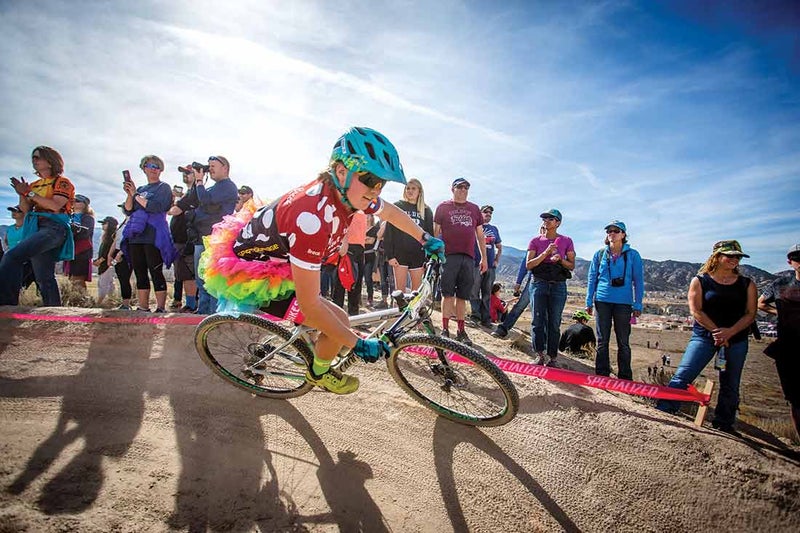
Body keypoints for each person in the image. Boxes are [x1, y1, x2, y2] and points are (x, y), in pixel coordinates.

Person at [199, 127, 444, 395]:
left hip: (278, 254)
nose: (376, 190)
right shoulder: (312, 219)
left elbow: (391, 213)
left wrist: (424, 237)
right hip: (254, 272)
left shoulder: (349, 191)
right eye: (371, 179)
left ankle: (314, 348)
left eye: (381, 183)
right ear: (341, 171)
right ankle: (319, 372)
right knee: (338, 320)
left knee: (333, 323)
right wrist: (357, 344)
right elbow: (311, 304)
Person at [656, 240, 757, 435]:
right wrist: (717, 331)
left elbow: (750, 313)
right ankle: (665, 411)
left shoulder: (747, 284)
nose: (734, 260)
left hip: (736, 340)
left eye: (738, 256)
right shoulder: (701, 280)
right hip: (704, 337)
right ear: (717, 257)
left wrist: (730, 332)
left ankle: (724, 423)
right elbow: (696, 310)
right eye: (730, 256)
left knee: (731, 382)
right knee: (684, 374)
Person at [1, 146, 75, 306]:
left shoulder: (62, 182)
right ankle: (55, 312)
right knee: (44, 277)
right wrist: (22, 194)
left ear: (50, 161)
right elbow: (26, 210)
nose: (34, 160)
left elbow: (56, 205)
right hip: (36, 227)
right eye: (32, 158)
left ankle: (6, 304)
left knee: (12, 257)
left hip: (53, 228)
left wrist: (29, 193)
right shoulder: (34, 185)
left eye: (37, 157)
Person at [170, 156, 238, 314]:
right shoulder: (212, 187)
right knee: (202, 280)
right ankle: (203, 312)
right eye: (209, 166)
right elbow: (194, 199)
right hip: (201, 238)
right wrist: (196, 181)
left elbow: (206, 201)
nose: (210, 169)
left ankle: (213, 315)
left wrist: (200, 181)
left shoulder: (227, 186)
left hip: (215, 239)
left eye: (214, 166)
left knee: (212, 281)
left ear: (225, 168)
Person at [585, 220, 644, 380]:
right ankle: (602, 374)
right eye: (609, 231)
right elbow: (592, 279)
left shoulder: (633, 255)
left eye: (616, 231)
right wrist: (588, 301)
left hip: (624, 303)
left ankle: (625, 377)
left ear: (623, 235)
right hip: (602, 301)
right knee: (602, 340)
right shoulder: (600, 254)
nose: (611, 233)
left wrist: (637, 303)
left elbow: (638, 281)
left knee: (623, 342)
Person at [434, 177, 486, 345]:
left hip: (468, 257)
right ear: (453, 189)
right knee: (447, 293)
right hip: (449, 256)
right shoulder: (443, 207)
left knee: (463, 296)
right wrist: (433, 254)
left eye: (466, 187)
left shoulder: (474, 209)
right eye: (460, 187)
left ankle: (461, 331)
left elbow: (480, 235)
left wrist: (484, 257)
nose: (463, 190)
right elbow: (435, 232)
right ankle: (445, 329)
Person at [121, 155, 176, 313]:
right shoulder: (140, 190)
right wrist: (130, 194)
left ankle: (160, 307)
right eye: (150, 166)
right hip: (136, 235)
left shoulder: (163, 187)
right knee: (139, 271)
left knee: (155, 270)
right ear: (144, 168)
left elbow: (156, 207)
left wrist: (136, 195)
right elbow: (129, 210)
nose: (154, 169)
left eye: (157, 167)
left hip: (154, 235)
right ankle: (143, 306)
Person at [758, 244, 800, 438]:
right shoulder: (780, 284)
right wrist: (780, 313)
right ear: (790, 261)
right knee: (794, 399)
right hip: (789, 348)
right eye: (797, 257)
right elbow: (761, 303)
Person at [526, 209, 575, 366]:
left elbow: (572, 265)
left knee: (554, 322)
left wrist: (560, 259)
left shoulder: (567, 240)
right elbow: (529, 264)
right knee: (537, 320)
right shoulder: (535, 241)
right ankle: (539, 355)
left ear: (558, 223)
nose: (546, 220)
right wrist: (546, 253)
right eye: (544, 218)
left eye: (550, 218)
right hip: (539, 283)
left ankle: (553, 358)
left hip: (558, 285)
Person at [383, 178, 434, 293]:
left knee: (416, 293)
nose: (410, 191)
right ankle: (400, 312)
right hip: (399, 255)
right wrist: (390, 255)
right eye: (408, 188)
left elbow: (429, 235)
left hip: (418, 255)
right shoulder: (398, 206)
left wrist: (429, 257)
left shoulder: (426, 211)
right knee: (399, 292)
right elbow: (389, 232)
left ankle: (414, 312)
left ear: (419, 191)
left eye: (413, 188)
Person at [470, 205, 502, 328]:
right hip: (475, 264)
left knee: (487, 293)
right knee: (474, 291)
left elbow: (499, 247)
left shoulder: (494, 229)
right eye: (485, 212)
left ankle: (486, 319)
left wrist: (496, 260)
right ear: (480, 213)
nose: (488, 214)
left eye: (490, 213)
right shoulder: (474, 227)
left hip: (490, 267)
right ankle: (475, 316)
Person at [169, 180, 197, 312]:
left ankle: (192, 304)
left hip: (188, 240)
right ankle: (189, 303)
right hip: (178, 240)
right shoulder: (185, 196)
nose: (185, 175)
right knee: (183, 274)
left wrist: (176, 202)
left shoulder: (194, 195)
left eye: (189, 172)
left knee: (190, 274)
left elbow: (173, 211)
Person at [333, 211, 367, 315]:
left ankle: (354, 316)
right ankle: (337, 316)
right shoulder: (350, 201)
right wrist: (344, 241)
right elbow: (342, 220)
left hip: (360, 247)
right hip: (348, 246)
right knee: (341, 283)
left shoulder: (364, 205)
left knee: (356, 284)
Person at [65, 194, 95, 296]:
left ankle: (83, 299)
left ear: (84, 204)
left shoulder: (88, 218)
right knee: (71, 278)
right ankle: (75, 299)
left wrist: (74, 228)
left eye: (77, 200)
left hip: (82, 251)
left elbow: (85, 233)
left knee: (78, 278)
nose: (74, 202)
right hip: (70, 250)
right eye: (73, 200)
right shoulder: (69, 216)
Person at [3, 206, 36, 291]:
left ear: (24, 213)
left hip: (26, 260)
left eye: (17, 211)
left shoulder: (28, 228)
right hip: (12, 259)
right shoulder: (10, 228)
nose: (13, 213)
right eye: (12, 211)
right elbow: (6, 241)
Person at [93, 216, 118, 305]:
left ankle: (99, 303)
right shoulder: (106, 237)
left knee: (103, 283)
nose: (102, 225)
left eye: (104, 223)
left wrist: (99, 261)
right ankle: (112, 301)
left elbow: (107, 253)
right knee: (110, 283)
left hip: (107, 263)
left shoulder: (111, 237)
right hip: (107, 263)